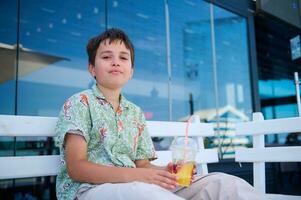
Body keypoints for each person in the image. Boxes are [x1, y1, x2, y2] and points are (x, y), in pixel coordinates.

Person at [55, 28, 264, 200]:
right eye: (106, 57)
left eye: (123, 57)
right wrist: (140, 176)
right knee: (144, 192)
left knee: (223, 183)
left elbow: (143, 165)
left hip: (138, 185)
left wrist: (167, 171)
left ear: (131, 70)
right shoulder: (79, 103)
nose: (116, 62)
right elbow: (77, 168)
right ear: (92, 68)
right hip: (90, 190)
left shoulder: (134, 113)